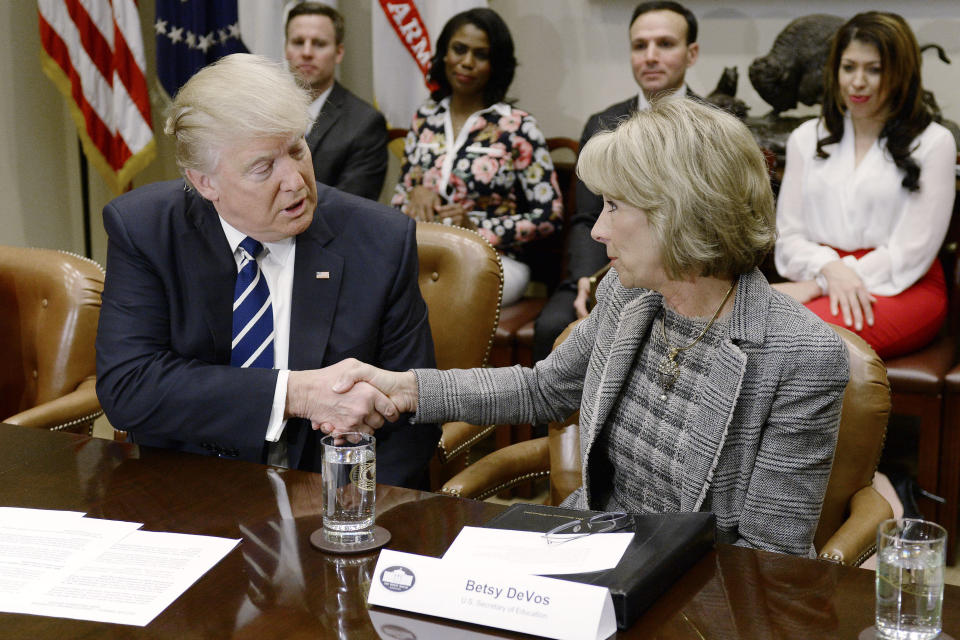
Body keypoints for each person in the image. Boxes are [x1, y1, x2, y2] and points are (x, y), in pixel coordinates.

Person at [332, 100, 850, 557]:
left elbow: (769, 557)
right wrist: (406, 387)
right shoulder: (630, 295)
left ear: (682, 215)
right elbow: (543, 389)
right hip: (588, 552)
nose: (597, 229)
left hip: (697, 592)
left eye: (615, 206)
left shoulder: (801, 357)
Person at [95, 54, 438, 489]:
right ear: (205, 182)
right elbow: (129, 386)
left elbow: (412, 418)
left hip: (330, 503)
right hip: (187, 496)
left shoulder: (380, 239)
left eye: (296, 149)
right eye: (263, 168)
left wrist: (350, 513)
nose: (295, 181)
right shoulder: (145, 230)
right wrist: (293, 394)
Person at [773, 11, 957, 359]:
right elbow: (789, 238)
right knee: (746, 330)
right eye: (849, 67)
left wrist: (821, 283)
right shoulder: (805, 138)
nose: (858, 82)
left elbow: (911, 251)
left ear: (902, 73)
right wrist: (829, 270)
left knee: (792, 341)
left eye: (874, 69)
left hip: (902, 285)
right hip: (822, 273)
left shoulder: (934, 142)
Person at [533, 0, 702, 362]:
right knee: (552, 326)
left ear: (692, 53)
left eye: (665, 44)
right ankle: (567, 422)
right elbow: (586, 216)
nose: (650, 56)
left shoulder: (714, 125)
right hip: (607, 266)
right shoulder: (602, 124)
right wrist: (585, 278)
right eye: (640, 46)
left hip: (688, 276)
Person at [390, 7, 563, 307]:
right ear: (444, 53)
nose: (467, 62)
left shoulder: (517, 126)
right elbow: (398, 200)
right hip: (426, 252)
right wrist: (413, 194)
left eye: (480, 55)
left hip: (493, 259)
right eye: (459, 50)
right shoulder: (425, 118)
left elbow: (550, 215)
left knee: (432, 295)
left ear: (495, 64)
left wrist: (476, 229)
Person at [285, 2, 388, 201]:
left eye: (319, 43)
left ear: (339, 53)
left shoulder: (365, 123)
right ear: (286, 49)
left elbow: (351, 206)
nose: (306, 52)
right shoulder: (265, 113)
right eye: (298, 42)